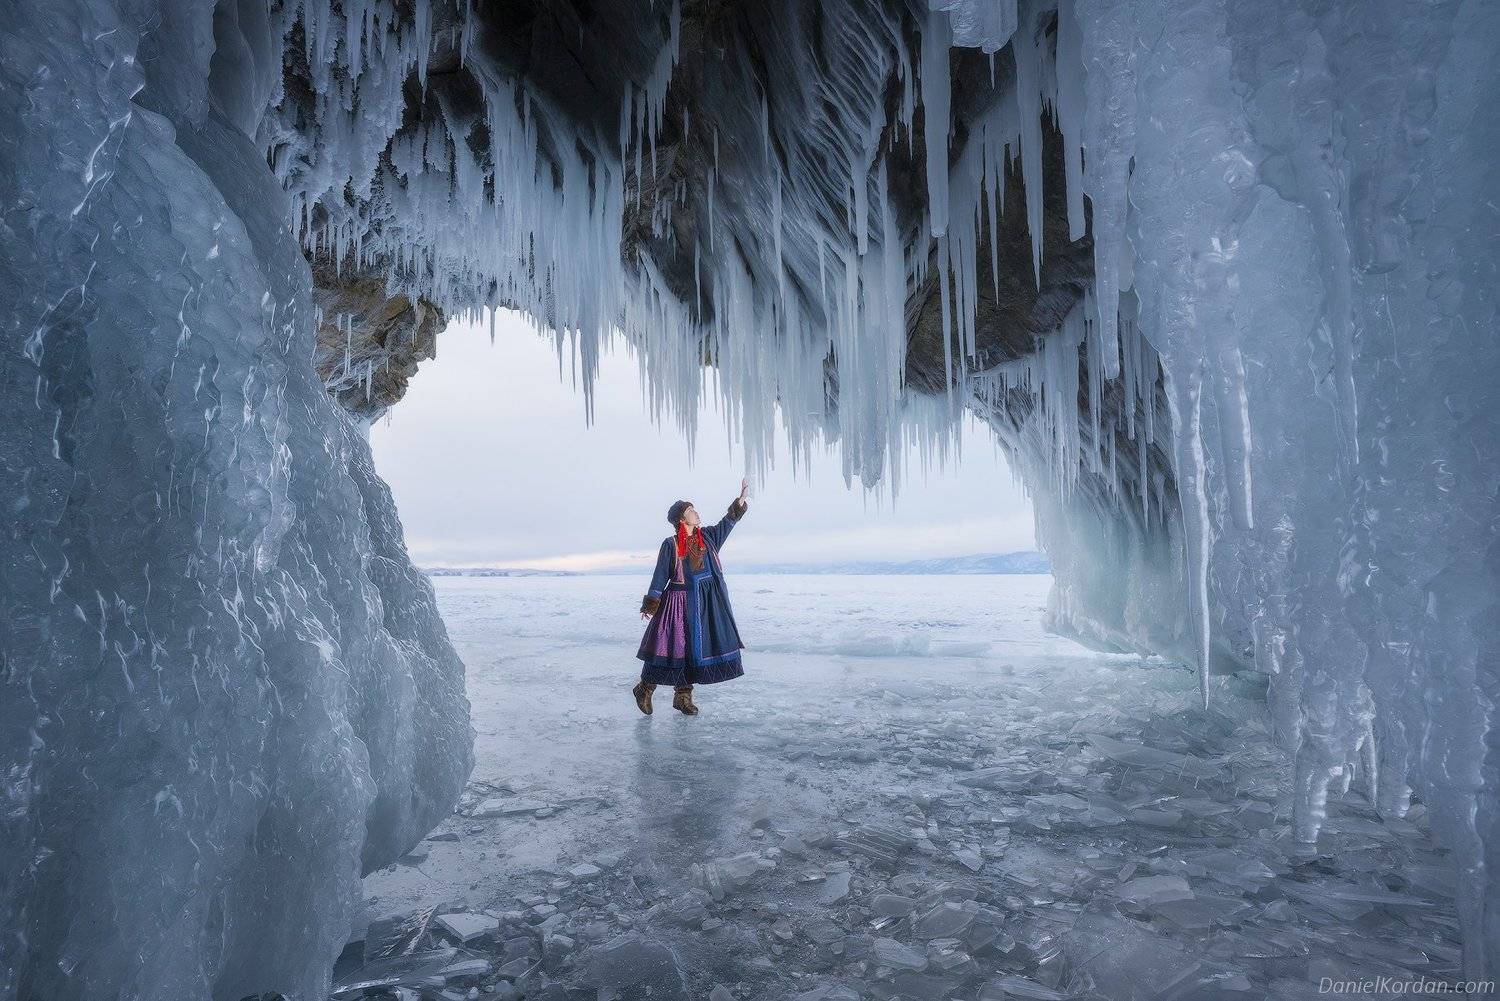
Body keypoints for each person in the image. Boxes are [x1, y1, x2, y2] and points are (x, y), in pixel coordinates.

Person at [632, 479, 751, 715]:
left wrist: (742, 497)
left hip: (705, 605)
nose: (696, 513)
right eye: (691, 511)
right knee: (671, 649)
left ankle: (683, 697)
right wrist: (651, 604)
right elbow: (660, 576)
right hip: (677, 605)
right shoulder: (671, 545)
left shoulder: (708, 538)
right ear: (681, 519)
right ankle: (644, 688)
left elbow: (729, 522)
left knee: (694, 651)